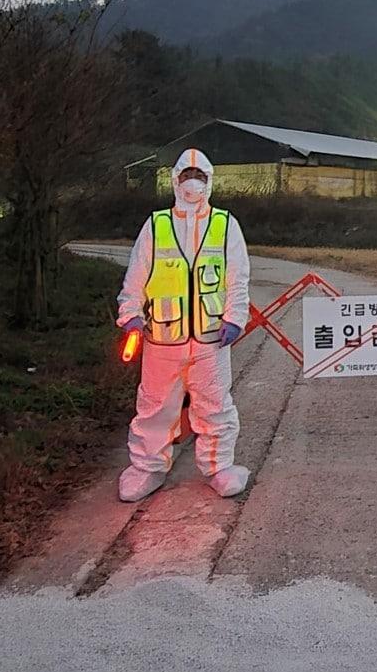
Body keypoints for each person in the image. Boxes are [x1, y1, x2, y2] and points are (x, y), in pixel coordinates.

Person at [115, 148, 251, 502]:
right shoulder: (157, 225)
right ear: (175, 180)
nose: (194, 182)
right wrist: (130, 313)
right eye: (188, 175)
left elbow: (238, 279)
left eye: (201, 176)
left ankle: (220, 467)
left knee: (215, 406)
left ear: (210, 181)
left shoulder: (225, 224)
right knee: (155, 406)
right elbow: (136, 275)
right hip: (162, 337)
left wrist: (235, 318)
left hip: (210, 340)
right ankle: (146, 468)